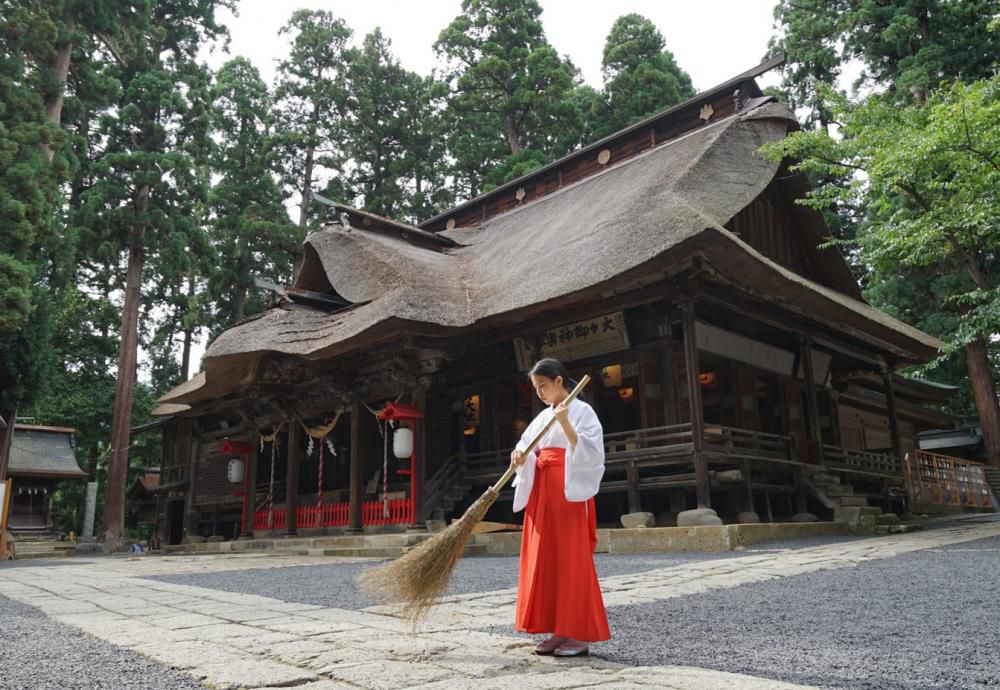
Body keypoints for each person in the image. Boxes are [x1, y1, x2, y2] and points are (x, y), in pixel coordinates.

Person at [510, 358, 610, 657]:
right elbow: (528, 448)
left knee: (570, 559)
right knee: (545, 559)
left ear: (558, 381)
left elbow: (592, 455)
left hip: (567, 492)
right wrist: (519, 456)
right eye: (536, 387)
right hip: (542, 491)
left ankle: (578, 634)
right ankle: (558, 629)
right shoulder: (542, 418)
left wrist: (566, 424)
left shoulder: (583, 411)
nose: (540, 392)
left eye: (543, 385)